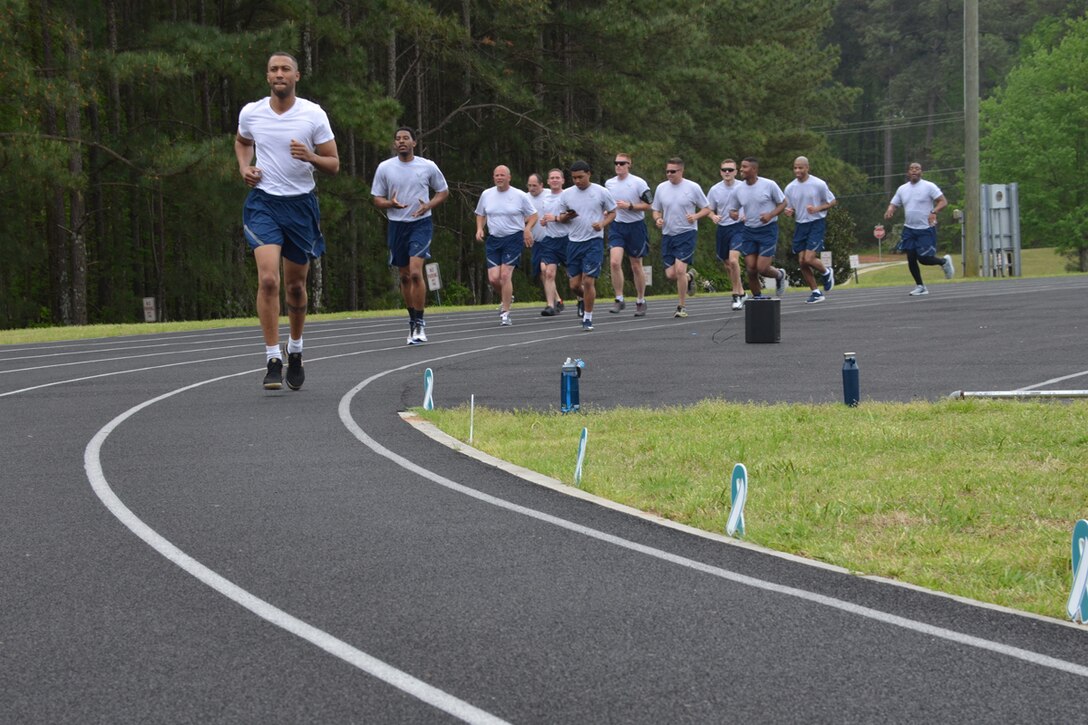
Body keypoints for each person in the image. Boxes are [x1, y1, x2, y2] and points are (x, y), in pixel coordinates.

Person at [235, 52, 339, 391]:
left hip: (300, 207)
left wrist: (309, 156)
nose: (279, 74)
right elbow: (242, 141)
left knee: (295, 286)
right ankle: (272, 358)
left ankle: (295, 348)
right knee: (268, 281)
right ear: (267, 77)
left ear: (296, 76)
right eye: (273, 69)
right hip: (264, 203)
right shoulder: (252, 112)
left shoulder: (313, 115)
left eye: (285, 69)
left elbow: (334, 163)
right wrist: (244, 167)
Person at [371, 126, 449, 344]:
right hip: (397, 226)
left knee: (416, 272)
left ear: (414, 143)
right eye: (398, 139)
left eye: (406, 138)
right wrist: (390, 203)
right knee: (404, 276)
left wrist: (429, 205)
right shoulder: (385, 168)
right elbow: (376, 199)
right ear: (395, 144)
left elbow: (443, 191)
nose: (401, 142)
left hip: (420, 224)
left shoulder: (427, 166)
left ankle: (421, 322)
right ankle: (412, 320)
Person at [556, 160, 616, 331]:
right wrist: (568, 216)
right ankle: (585, 299)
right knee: (574, 285)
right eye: (574, 178)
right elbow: (560, 218)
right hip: (574, 242)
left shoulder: (601, 192)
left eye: (580, 177)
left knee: (588, 281)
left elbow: (612, 212)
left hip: (593, 241)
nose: (577, 181)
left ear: (589, 174)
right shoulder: (566, 194)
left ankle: (588, 317)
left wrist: (602, 224)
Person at [475, 165, 537, 325]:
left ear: (509, 177)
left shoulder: (519, 195)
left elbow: (533, 215)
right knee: (494, 278)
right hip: (494, 239)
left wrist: (527, 229)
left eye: (502, 175)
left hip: (513, 238)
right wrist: (480, 229)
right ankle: (507, 296)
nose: (499, 178)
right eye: (496, 175)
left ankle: (505, 313)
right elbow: (480, 214)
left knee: (504, 275)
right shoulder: (487, 194)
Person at [651, 157, 710, 318]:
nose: (669, 174)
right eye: (667, 171)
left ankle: (681, 307)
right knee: (671, 274)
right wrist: (658, 219)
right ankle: (690, 277)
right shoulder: (661, 188)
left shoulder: (692, 187)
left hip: (686, 233)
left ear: (681, 171)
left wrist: (695, 216)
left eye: (673, 171)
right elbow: (655, 209)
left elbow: (706, 208)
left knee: (679, 270)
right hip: (668, 234)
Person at [884, 162, 953, 295]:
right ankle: (920, 286)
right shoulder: (902, 189)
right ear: (908, 173)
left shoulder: (929, 186)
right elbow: (894, 203)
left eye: (917, 169)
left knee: (924, 259)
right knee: (911, 258)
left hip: (926, 228)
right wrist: (890, 210)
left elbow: (943, 201)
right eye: (911, 169)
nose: (914, 171)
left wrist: (934, 211)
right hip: (909, 229)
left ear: (921, 172)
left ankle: (943, 262)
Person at [729, 157, 788, 300]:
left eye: (745, 167)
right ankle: (758, 298)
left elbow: (783, 203)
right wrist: (734, 214)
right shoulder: (738, 189)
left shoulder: (769, 185)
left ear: (754, 170)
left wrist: (770, 214)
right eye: (741, 167)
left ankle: (779, 275)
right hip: (749, 230)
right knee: (751, 269)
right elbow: (732, 209)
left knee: (762, 268)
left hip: (768, 230)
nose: (741, 170)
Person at [604, 153, 652, 317]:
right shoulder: (609, 183)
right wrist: (607, 211)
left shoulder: (638, 183)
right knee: (615, 262)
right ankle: (619, 299)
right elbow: (608, 204)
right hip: (617, 226)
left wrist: (629, 206)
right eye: (616, 163)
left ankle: (640, 300)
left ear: (629, 164)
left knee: (636, 265)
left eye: (622, 163)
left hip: (636, 227)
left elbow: (649, 205)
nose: (618, 166)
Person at [783, 156, 836, 304]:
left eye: (800, 167)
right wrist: (789, 212)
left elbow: (832, 201)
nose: (797, 171)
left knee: (809, 258)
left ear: (807, 168)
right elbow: (790, 207)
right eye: (795, 168)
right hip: (801, 224)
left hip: (816, 223)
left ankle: (826, 272)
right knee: (802, 262)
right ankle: (816, 292)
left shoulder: (818, 184)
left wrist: (817, 209)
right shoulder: (790, 188)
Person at [706, 159, 748, 310]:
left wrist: (747, 215)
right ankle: (742, 292)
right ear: (720, 172)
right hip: (723, 229)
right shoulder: (715, 189)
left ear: (736, 172)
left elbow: (752, 203)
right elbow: (708, 209)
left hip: (739, 227)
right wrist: (713, 216)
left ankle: (736, 295)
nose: (727, 172)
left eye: (730, 169)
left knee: (733, 260)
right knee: (727, 264)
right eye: (724, 170)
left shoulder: (743, 187)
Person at [535, 169, 569, 316]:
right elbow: (546, 218)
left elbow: (573, 216)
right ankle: (550, 305)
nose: (555, 180)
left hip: (567, 239)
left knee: (574, 274)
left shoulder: (568, 196)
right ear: (548, 182)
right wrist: (544, 221)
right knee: (548, 272)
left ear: (563, 180)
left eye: (557, 178)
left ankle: (581, 300)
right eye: (552, 178)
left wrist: (555, 218)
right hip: (550, 239)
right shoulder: (546, 199)